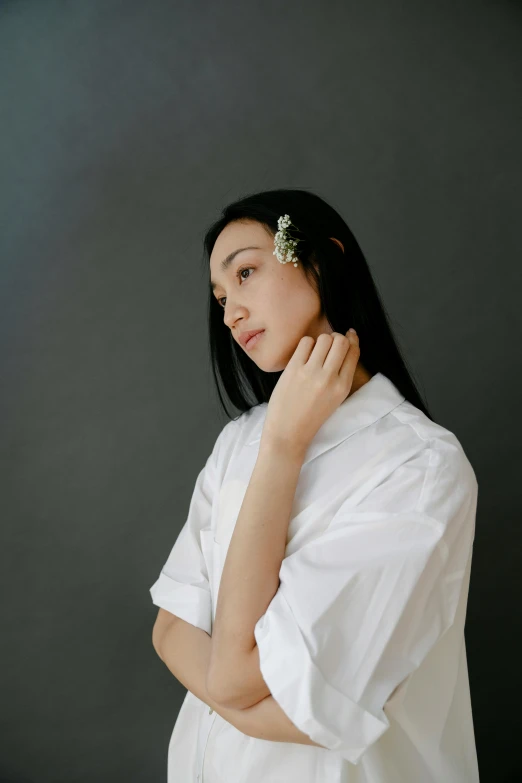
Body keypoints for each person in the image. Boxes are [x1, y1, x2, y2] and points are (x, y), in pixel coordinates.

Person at [149, 188, 479, 782]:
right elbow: (170, 627)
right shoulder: (237, 443)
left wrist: (284, 448)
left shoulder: (420, 468)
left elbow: (234, 677)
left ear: (322, 262)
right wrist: (242, 701)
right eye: (220, 297)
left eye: (246, 273)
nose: (229, 313)